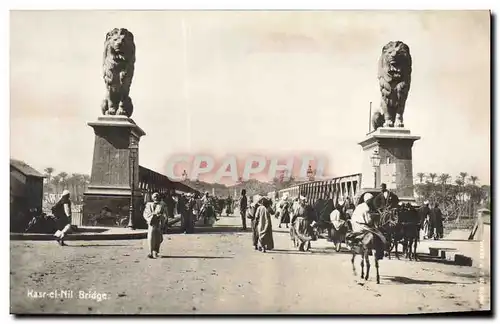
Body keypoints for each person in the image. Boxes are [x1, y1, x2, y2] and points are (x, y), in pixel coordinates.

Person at [143, 192, 167, 259]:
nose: (156, 198)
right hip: (152, 223)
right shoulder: (148, 205)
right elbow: (145, 213)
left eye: (157, 196)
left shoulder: (162, 204)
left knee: (158, 238)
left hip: (159, 223)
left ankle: (156, 251)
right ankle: (150, 252)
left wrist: (161, 217)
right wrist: (151, 217)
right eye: (154, 197)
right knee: (151, 238)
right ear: (152, 198)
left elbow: (165, 214)